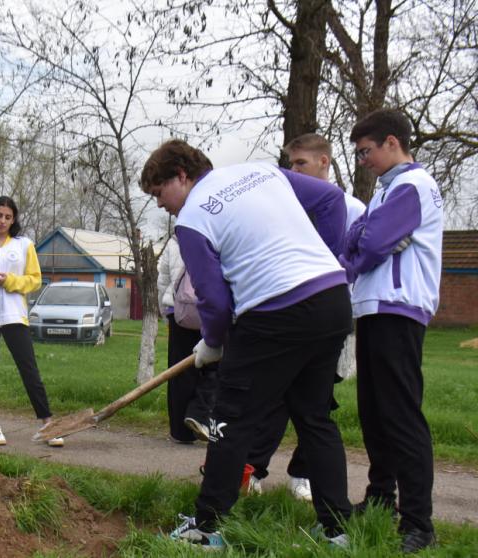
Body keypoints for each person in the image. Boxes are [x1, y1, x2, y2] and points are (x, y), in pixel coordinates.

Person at [142, 139, 353, 550]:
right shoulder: (261, 171)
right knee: (314, 417)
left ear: (181, 176)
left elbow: (214, 302)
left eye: (158, 192)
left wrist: (212, 343)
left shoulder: (192, 219)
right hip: (331, 300)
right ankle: (338, 529)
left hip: (275, 313)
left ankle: (205, 528)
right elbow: (331, 200)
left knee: (229, 418)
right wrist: (321, 261)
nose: (160, 205)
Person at [245, 133, 368, 501]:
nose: (294, 170)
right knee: (273, 395)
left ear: (324, 162)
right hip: (287, 315)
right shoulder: (286, 206)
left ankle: (303, 474)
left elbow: (358, 262)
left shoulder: (353, 208)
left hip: (329, 318)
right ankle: (253, 469)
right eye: (291, 164)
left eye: (301, 163)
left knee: (318, 402)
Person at [341, 109, 442, 553]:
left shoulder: (412, 186)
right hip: (374, 306)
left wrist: (365, 246)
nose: (361, 160)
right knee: (375, 413)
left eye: (365, 151)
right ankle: (381, 498)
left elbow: (372, 245)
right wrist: (365, 238)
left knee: (401, 417)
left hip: (399, 308)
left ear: (391, 143)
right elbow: (357, 237)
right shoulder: (386, 191)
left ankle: (419, 524)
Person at [0, 196, 63, 448]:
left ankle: (47, 423)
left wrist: (9, 280)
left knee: (29, 369)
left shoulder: (24, 245)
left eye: (8, 217)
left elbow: (34, 280)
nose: (3, 221)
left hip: (14, 316)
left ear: (13, 219)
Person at [156, 236, 216, 444]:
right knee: (215, 367)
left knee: (179, 370)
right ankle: (199, 414)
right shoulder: (214, 237)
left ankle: (180, 432)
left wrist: (166, 311)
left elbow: (162, 280)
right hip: (210, 311)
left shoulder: (174, 242)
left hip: (179, 312)